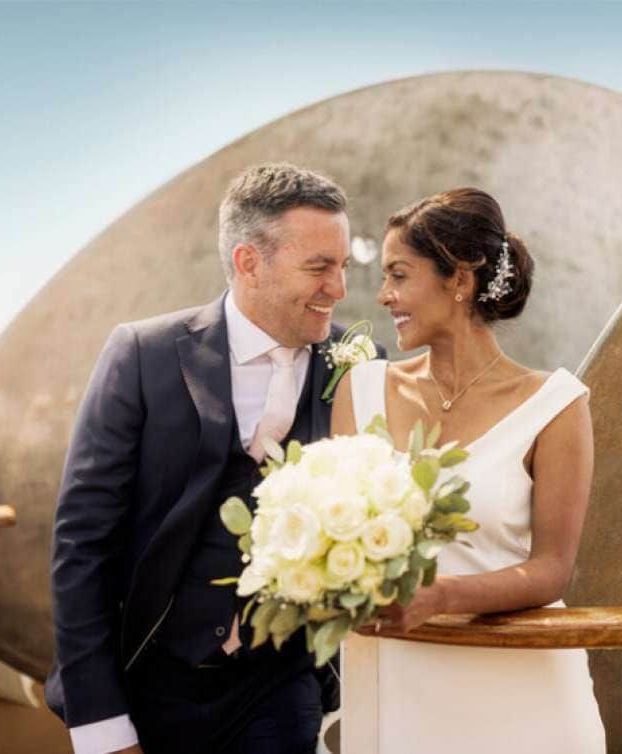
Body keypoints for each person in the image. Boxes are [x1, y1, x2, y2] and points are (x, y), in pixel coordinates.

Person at [46, 163, 383, 754]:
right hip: (149, 679)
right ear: (250, 263)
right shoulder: (143, 355)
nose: (339, 289)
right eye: (319, 267)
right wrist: (101, 726)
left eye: (343, 267)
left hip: (279, 684)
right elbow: (83, 542)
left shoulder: (358, 363)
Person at [331, 188, 606, 753]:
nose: (383, 296)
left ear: (460, 280)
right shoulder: (360, 391)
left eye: (399, 275)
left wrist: (441, 595)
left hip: (527, 699)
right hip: (394, 690)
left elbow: (552, 570)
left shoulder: (556, 404)